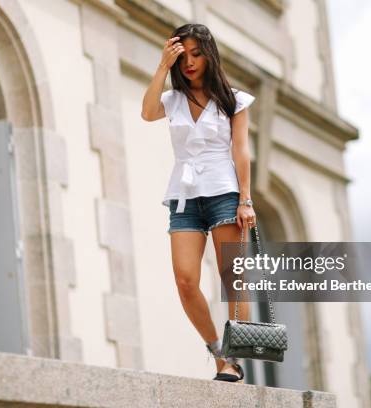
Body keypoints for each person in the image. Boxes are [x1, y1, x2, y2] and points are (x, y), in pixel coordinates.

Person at [140, 23, 256, 383]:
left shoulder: (234, 100)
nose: (189, 62)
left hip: (225, 192)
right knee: (186, 280)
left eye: (196, 53)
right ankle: (218, 352)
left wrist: (245, 200)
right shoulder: (172, 100)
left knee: (232, 277)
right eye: (183, 55)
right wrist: (162, 66)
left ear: (209, 54)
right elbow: (146, 112)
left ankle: (236, 358)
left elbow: (241, 152)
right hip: (184, 196)